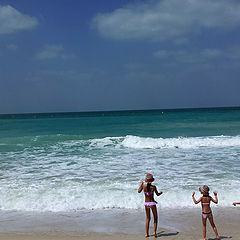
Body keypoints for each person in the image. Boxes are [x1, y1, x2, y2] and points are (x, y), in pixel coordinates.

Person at [138, 173, 163, 238]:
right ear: (152, 180)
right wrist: (161, 192)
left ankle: (147, 233)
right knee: (155, 218)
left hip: (146, 204)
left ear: (146, 180)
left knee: (148, 218)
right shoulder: (153, 187)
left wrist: (141, 185)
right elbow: (157, 194)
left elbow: (139, 191)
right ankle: (154, 232)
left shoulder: (144, 186)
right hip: (152, 203)